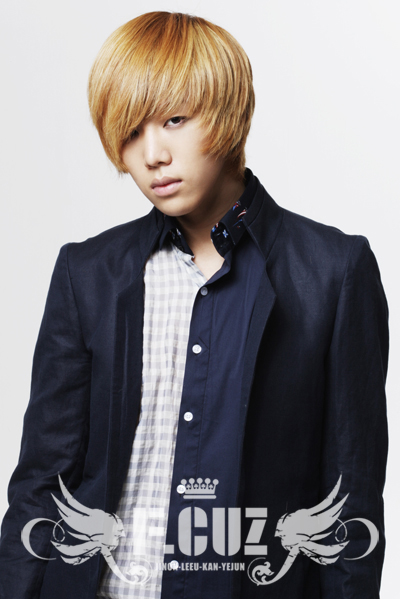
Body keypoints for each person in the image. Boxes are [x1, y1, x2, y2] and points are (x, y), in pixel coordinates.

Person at [0, 11, 389, 599]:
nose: (151, 154)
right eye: (130, 131)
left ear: (229, 113)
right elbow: (41, 485)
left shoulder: (334, 272)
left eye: (174, 120)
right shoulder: (89, 273)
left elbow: (350, 505)